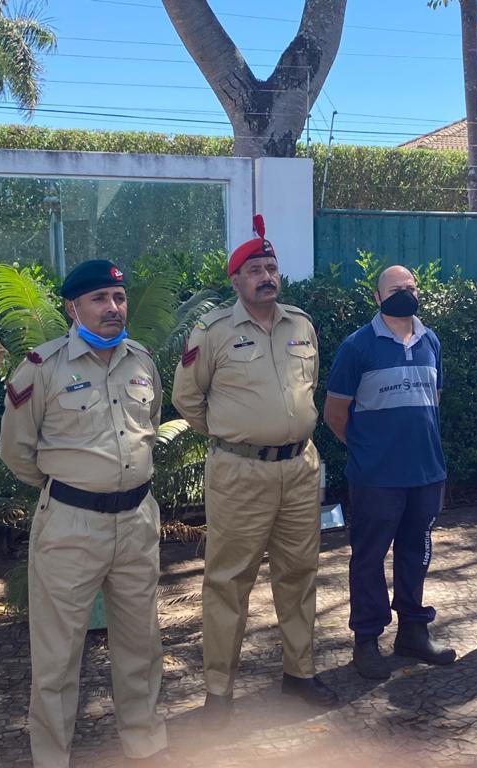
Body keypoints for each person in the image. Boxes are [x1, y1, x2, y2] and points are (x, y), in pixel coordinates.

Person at [0, 260, 169, 767]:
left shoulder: (142, 362)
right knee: (57, 654)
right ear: (72, 308)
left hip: (136, 520)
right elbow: (17, 450)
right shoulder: (42, 367)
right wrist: (72, 487)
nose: (113, 308)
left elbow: (151, 423)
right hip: (71, 526)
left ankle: (144, 743)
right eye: (99, 299)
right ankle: (53, 757)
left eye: (119, 297)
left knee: (141, 643)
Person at [171, 215, 337, 724]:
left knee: (300, 573)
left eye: (272, 267)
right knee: (228, 581)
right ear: (236, 280)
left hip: (300, 468)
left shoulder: (301, 324)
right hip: (240, 473)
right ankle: (218, 693)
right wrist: (234, 435)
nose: (267, 276)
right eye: (256, 270)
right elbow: (187, 398)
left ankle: (299, 674)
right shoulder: (213, 332)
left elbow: (308, 387)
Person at [323, 265, 456, 680]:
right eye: (395, 288)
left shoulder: (430, 340)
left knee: (416, 554)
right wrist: (369, 451)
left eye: (411, 287)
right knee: (369, 559)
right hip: (376, 477)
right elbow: (334, 414)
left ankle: (413, 632)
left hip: (425, 473)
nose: (405, 292)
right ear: (377, 298)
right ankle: (366, 640)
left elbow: (432, 401)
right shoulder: (357, 346)